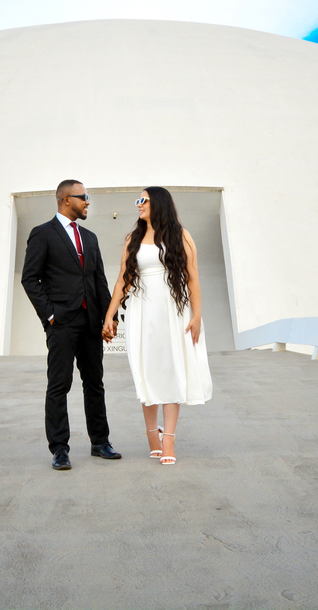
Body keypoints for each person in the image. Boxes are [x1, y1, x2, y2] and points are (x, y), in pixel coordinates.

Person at [102, 186, 212, 465]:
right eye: (137, 200)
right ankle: (153, 435)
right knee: (146, 370)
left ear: (158, 204)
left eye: (144, 200)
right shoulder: (133, 238)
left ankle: (169, 439)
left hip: (173, 311)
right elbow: (122, 280)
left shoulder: (180, 236)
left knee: (171, 369)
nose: (138, 205)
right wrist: (109, 316)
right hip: (141, 312)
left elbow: (192, 278)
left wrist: (196, 317)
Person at [21, 180, 122, 471]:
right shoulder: (42, 234)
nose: (88, 202)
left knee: (94, 384)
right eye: (84, 197)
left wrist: (109, 317)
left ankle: (100, 442)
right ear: (66, 199)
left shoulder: (90, 238)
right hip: (62, 324)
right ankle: (60, 449)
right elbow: (30, 278)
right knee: (59, 385)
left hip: (91, 323)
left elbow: (99, 282)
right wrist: (50, 316)